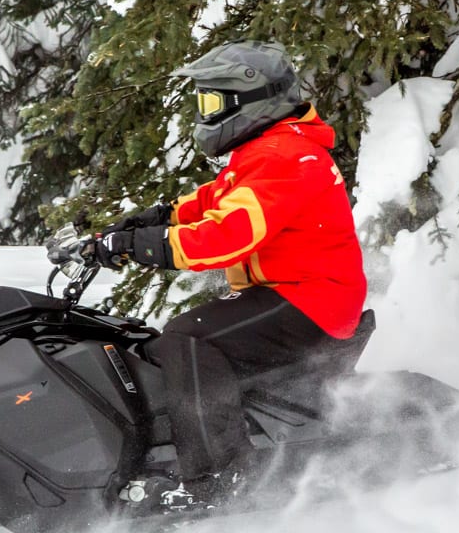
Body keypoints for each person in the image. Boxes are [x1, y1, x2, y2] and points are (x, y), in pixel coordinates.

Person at [88, 41, 367, 497]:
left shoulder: (287, 157)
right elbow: (220, 199)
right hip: (292, 292)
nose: (205, 113)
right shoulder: (272, 150)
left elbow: (226, 234)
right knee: (172, 343)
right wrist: (157, 217)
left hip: (310, 299)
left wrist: (144, 245)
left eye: (212, 102)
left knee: (188, 338)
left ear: (251, 101)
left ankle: (219, 475)